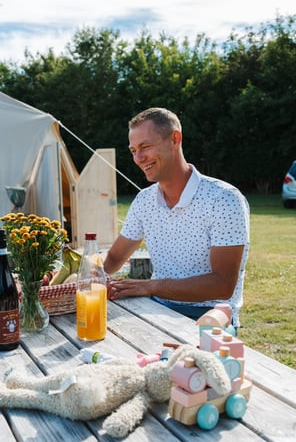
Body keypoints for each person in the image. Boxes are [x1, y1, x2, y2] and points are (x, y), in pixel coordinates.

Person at [103, 107, 250, 330]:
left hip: (211, 317)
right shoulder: (144, 201)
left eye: (145, 147)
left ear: (175, 139)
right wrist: (83, 274)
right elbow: (113, 258)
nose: (138, 158)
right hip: (156, 308)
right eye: (133, 150)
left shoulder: (224, 199)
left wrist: (150, 286)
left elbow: (222, 285)